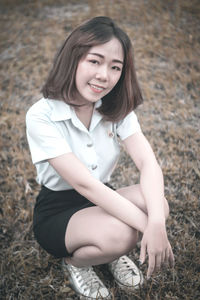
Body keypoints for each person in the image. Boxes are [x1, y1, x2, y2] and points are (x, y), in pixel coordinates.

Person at [26, 16, 174, 299]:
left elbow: (148, 164)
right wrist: (148, 229)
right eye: (94, 61)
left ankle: (110, 252)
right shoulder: (41, 115)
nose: (104, 75)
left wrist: (156, 223)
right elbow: (85, 186)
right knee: (122, 235)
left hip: (102, 197)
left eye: (115, 67)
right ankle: (77, 262)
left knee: (159, 205)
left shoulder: (114, 107)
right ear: (74, 58)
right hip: (59, 210)